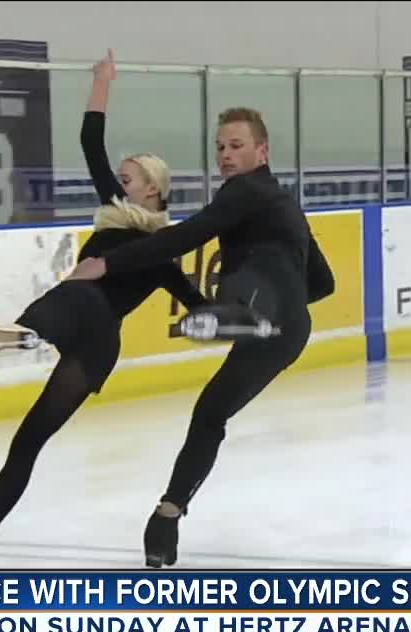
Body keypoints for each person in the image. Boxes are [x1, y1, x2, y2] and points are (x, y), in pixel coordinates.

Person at [0, 50, 207, 570]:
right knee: (28, 438)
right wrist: (101, 82)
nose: (121, 181)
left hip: (88, 327)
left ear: (154, 188)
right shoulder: (121, 217)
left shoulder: (162, 248)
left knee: (79, 286)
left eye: (130, 177)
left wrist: (233, 310)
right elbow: (91, 142)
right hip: (83, 335)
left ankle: (25, 334)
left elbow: (197, 303)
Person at [65, 106, 336, 568]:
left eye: (236, 146)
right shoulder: (285, 204)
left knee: (243, 280)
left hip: (263, 311)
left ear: (262, 151)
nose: (226, 156)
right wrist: (286, 312)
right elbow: (324, 283)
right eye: (221, 147)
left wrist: (109, 263)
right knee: (209, 413)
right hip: (288, 333)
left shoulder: (246, 191)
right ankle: (167, 516)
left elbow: (185, 236)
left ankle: (244, 312)